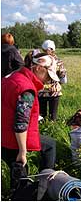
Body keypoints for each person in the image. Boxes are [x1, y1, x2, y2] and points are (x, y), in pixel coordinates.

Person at [1, 53, 58, 190]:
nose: (47, 81)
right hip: (12, 140)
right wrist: (22, 151)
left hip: (3, 133)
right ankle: (44, 184)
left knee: (49, 144)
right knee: (21, 177)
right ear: (38, 68)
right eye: (48, 76)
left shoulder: (13, 77)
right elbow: (20, 124)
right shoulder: (26, 88)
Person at [38, 40, 67, 121]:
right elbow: (63, 77)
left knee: (41, 116)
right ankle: (52, 130)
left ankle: (41, 131)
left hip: (41, 91)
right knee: (53, 117)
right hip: (54, 91)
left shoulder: (39, 60)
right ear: (53, 49)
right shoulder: (58, 61)